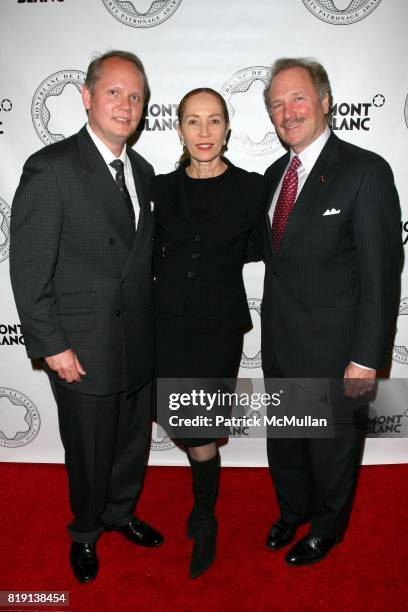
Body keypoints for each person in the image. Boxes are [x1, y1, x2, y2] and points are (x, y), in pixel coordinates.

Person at [9, 50, 163, 584]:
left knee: (128, 445)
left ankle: (120, 513)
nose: (126, 104)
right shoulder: (51, 168)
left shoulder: (142, 171)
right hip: (83, 347)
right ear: (87, 97)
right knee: (88, 453)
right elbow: (30, 270)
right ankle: (86, 532)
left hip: (137, 344)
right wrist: (53, 345)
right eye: (114, 91)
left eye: (135, 95)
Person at [260, 57, 401, 566]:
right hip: (279, 345)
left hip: (336, 352)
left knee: (332, 451)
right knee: (288, 444)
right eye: (276, 104)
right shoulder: (277, 174)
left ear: (324, 101)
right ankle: (292, 510)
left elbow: (381, 275)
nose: (287, 111)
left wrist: (367, 356)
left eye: (297, 98)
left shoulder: (365, 171)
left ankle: (326, 528)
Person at [153, 88, 264, 578]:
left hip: (218, 328)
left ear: (227, 129)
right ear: (178, 128)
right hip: (164, 326)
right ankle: (201, 507)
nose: (203, 132)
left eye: (213, 121)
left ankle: (205, 515)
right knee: (174, 418)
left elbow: (273, 250)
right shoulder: (158, 188)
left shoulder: (253, 189)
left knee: (201, 427)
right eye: (193, 121)